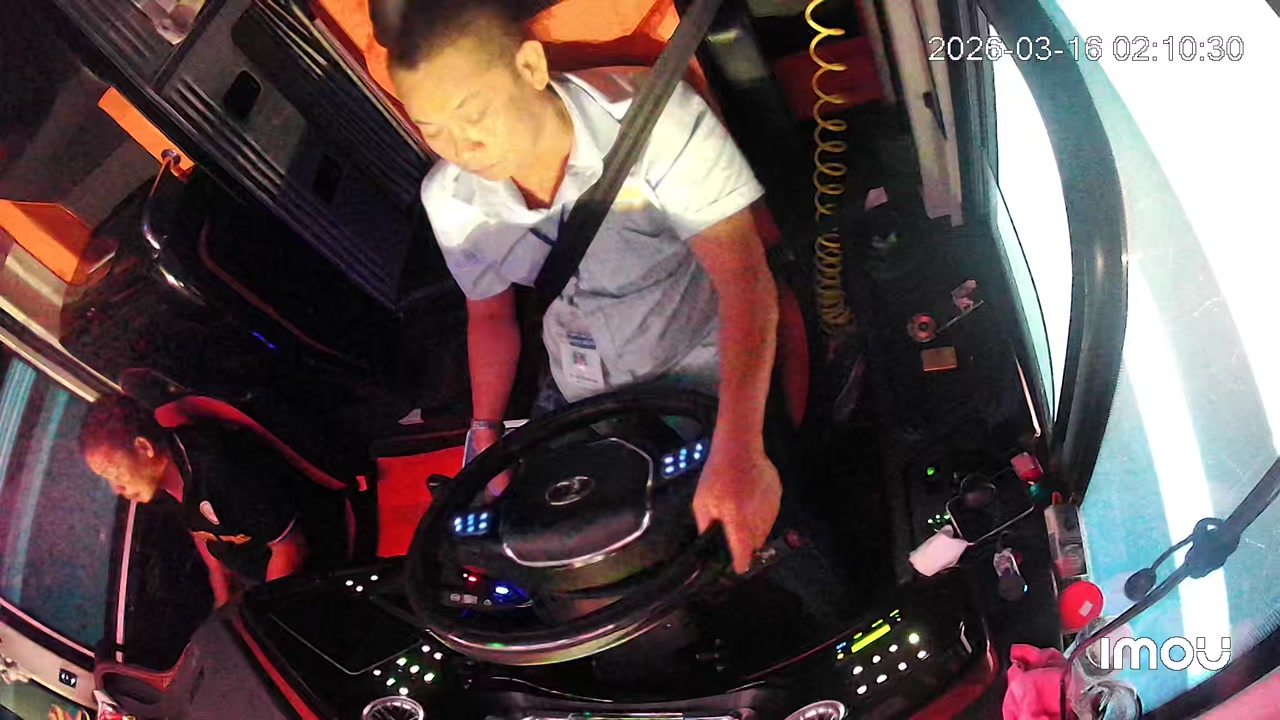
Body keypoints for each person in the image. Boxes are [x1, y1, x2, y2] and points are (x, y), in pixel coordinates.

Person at [380, 0, 782, 572]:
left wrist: (739, 448)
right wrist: (485, 429)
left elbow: (745, 281)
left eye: (474, 113)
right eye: (431, 128)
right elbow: (490, 316)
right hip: (579, 396)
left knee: (727, 547)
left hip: (699, 375)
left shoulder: (654, 121)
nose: (462, 148)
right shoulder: (450, 197)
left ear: (529, 67)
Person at [79, 395, 346, 606]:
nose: (115, 488)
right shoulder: (162, 482)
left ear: (143, 447)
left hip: (311, 581)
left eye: (114, 471)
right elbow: (204, 534)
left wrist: (263, 618)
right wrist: (224, 600)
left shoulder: (220, 471)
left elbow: (290, 547)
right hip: (256, 585)